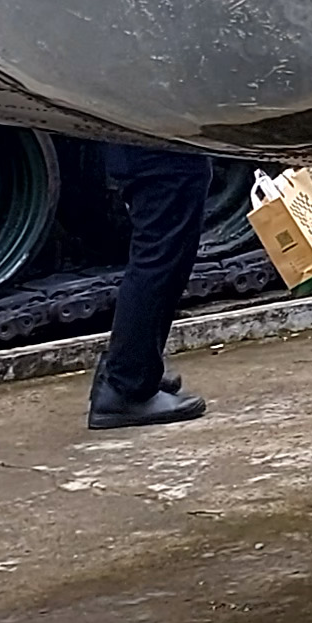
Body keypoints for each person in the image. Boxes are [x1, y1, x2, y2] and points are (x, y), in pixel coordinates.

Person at [88, 144, 213, 431]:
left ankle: (132, 369)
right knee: (161, 254)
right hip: (159, 148)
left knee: (159, 250)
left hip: (144, 144)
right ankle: (126, 385)